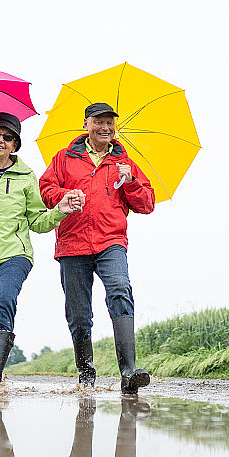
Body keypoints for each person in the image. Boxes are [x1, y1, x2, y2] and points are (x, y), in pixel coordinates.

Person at [0, 112, 83, 390]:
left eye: (8, 137)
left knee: (3, 301)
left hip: (15, 255)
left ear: (15, 145)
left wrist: (60, 210)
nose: (1, 140)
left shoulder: (26, 176)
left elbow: (38, 222)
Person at [39, 102, 155, 394]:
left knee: (120, 289)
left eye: (110, 122)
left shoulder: (125, 163)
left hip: (111, 241)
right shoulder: (63, 158)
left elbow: (147, 204)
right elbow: (45, 190)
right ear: (86, 124)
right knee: (79, 314)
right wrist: (65, 195)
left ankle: (128, 372)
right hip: (72, 243)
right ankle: (86, 374)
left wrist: (130, 182)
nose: (105, 127)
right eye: (99, 122)